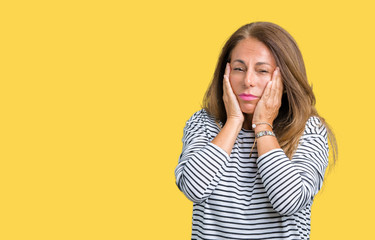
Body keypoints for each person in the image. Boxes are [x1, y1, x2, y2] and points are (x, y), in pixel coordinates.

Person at [174, 22, 338, 240]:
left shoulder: (308, 130)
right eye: (239, 69)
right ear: (225, 72)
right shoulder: (203, 124)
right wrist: (233, 120)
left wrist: (263, 126)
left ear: (285, 80)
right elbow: (193, 188)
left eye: (262, 71)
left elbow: (289, 201)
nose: (248, 81)